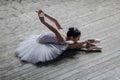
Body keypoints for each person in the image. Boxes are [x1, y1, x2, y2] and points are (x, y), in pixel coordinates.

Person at [15, 10, 101, 64]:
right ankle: (88, 45)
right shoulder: (62, 38)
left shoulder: (63, 32)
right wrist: (43, 21)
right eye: (78, 37)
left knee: (71, 45)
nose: (78, 39)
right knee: (69, 46)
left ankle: (88, 46)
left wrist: (45, 14)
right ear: (71, 37)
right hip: (41, 42)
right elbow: (54, 30)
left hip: (45, 37)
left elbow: (55, 21)